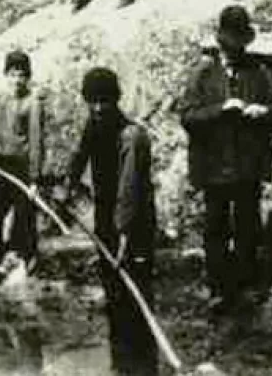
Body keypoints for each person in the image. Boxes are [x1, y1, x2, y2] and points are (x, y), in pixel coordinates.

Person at [179, 5, 272, 312]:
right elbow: (187, 116)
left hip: (247, 166)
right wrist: (220, 110)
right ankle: (218, 286)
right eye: (228, 45)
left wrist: (263, 111)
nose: (233, 51)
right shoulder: (202, 74)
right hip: (214, 167)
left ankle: (246, 284)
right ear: (219, 43)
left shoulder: (261, 73)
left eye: (238, 45)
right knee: (215, 227)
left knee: (248, 226)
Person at [66, 67, 157, 376]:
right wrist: (69, 186)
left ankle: (143, 364)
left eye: (104, 101)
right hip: (106, 218)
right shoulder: (95, 124)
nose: (98, 107)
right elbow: (80, 155)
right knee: (113, 291)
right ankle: (120, 362)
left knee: (136, 291)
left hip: (135, 225)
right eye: (92, 101)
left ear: (115, 100)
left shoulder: (132, 136)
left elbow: (130, 191)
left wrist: (125, 235)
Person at [0, 50, 46, 273]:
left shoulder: (33, 103)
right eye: (13, 74)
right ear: (6, 75)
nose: (17, 80)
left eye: (21, 75)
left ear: (28, 77)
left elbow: (37, 142)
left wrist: (35, 178)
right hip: (1, 165)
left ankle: (27, 258)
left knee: (24, 216)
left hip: (22, 168)